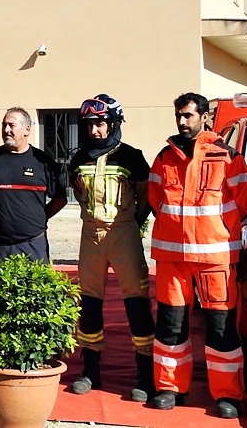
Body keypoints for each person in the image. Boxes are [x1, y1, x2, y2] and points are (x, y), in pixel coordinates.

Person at [148, 93, 247, 418]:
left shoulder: (228, 156)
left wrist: (215, 230)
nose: (182, 122)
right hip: (172, 259)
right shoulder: (164, 157)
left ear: (205, 117)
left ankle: (228, 395)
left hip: (215, 258)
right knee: (170, 326)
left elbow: (246, 200)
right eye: (179, 115)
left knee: (220, 327)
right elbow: (156, 199)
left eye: (188, 116)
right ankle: (169, 388)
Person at [67, 95, 156, 402]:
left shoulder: (132, 157)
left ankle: (145, 374)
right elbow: (79, 194)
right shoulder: (78, 159)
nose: (95, 130)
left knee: (136, 303)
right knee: (89, 303)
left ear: (114, 124)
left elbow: (147, 197)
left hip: (124, 234)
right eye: (90, 124)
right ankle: (90, 370)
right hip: (90, 235)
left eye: (101, 123)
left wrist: (133, 225)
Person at [0, 107, 67, 264]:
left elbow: (60, 199)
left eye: (11, 125)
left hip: (33, 245)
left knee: (34, 288)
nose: (6, 130)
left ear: (27, 129)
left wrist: (39, 217)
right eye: (4, 125)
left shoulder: (43, 162)